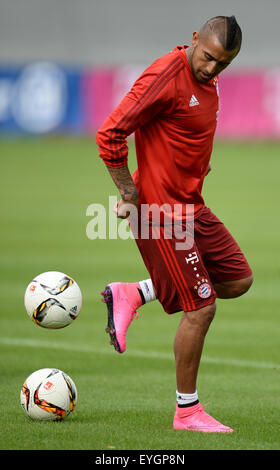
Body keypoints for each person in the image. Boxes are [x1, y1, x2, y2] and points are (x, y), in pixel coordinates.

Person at [96, 15, 253, 433]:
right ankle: (187, 412)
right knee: (200, 308)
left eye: (223, 64)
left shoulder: (207, 79)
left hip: (191, 207)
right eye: (208, 58)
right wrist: (129, 193)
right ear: (194, 39)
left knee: (238, 280)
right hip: (160, 213)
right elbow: (110, 133)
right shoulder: (167, 73)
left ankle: (134, 292)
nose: (212, 69)